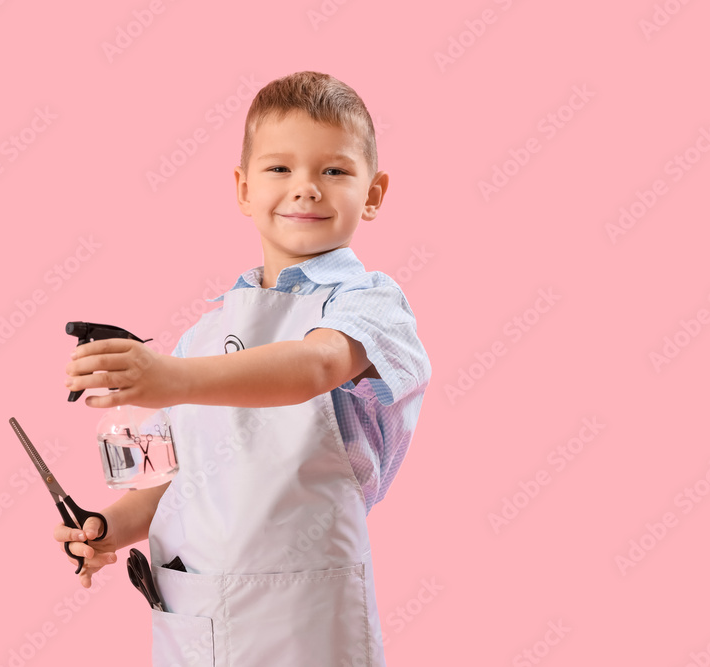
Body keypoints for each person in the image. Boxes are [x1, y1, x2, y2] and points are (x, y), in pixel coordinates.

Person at [54, 70, 431, 666]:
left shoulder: (369, 304)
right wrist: (105, 526)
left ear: (375, 193)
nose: (306, 188)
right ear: (243, 188)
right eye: (280, 169)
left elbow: (316, 365)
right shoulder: (204, 333)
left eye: (333, 170)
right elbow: (175, 482)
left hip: (307, 621)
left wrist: (169, 379)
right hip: (196, 618)